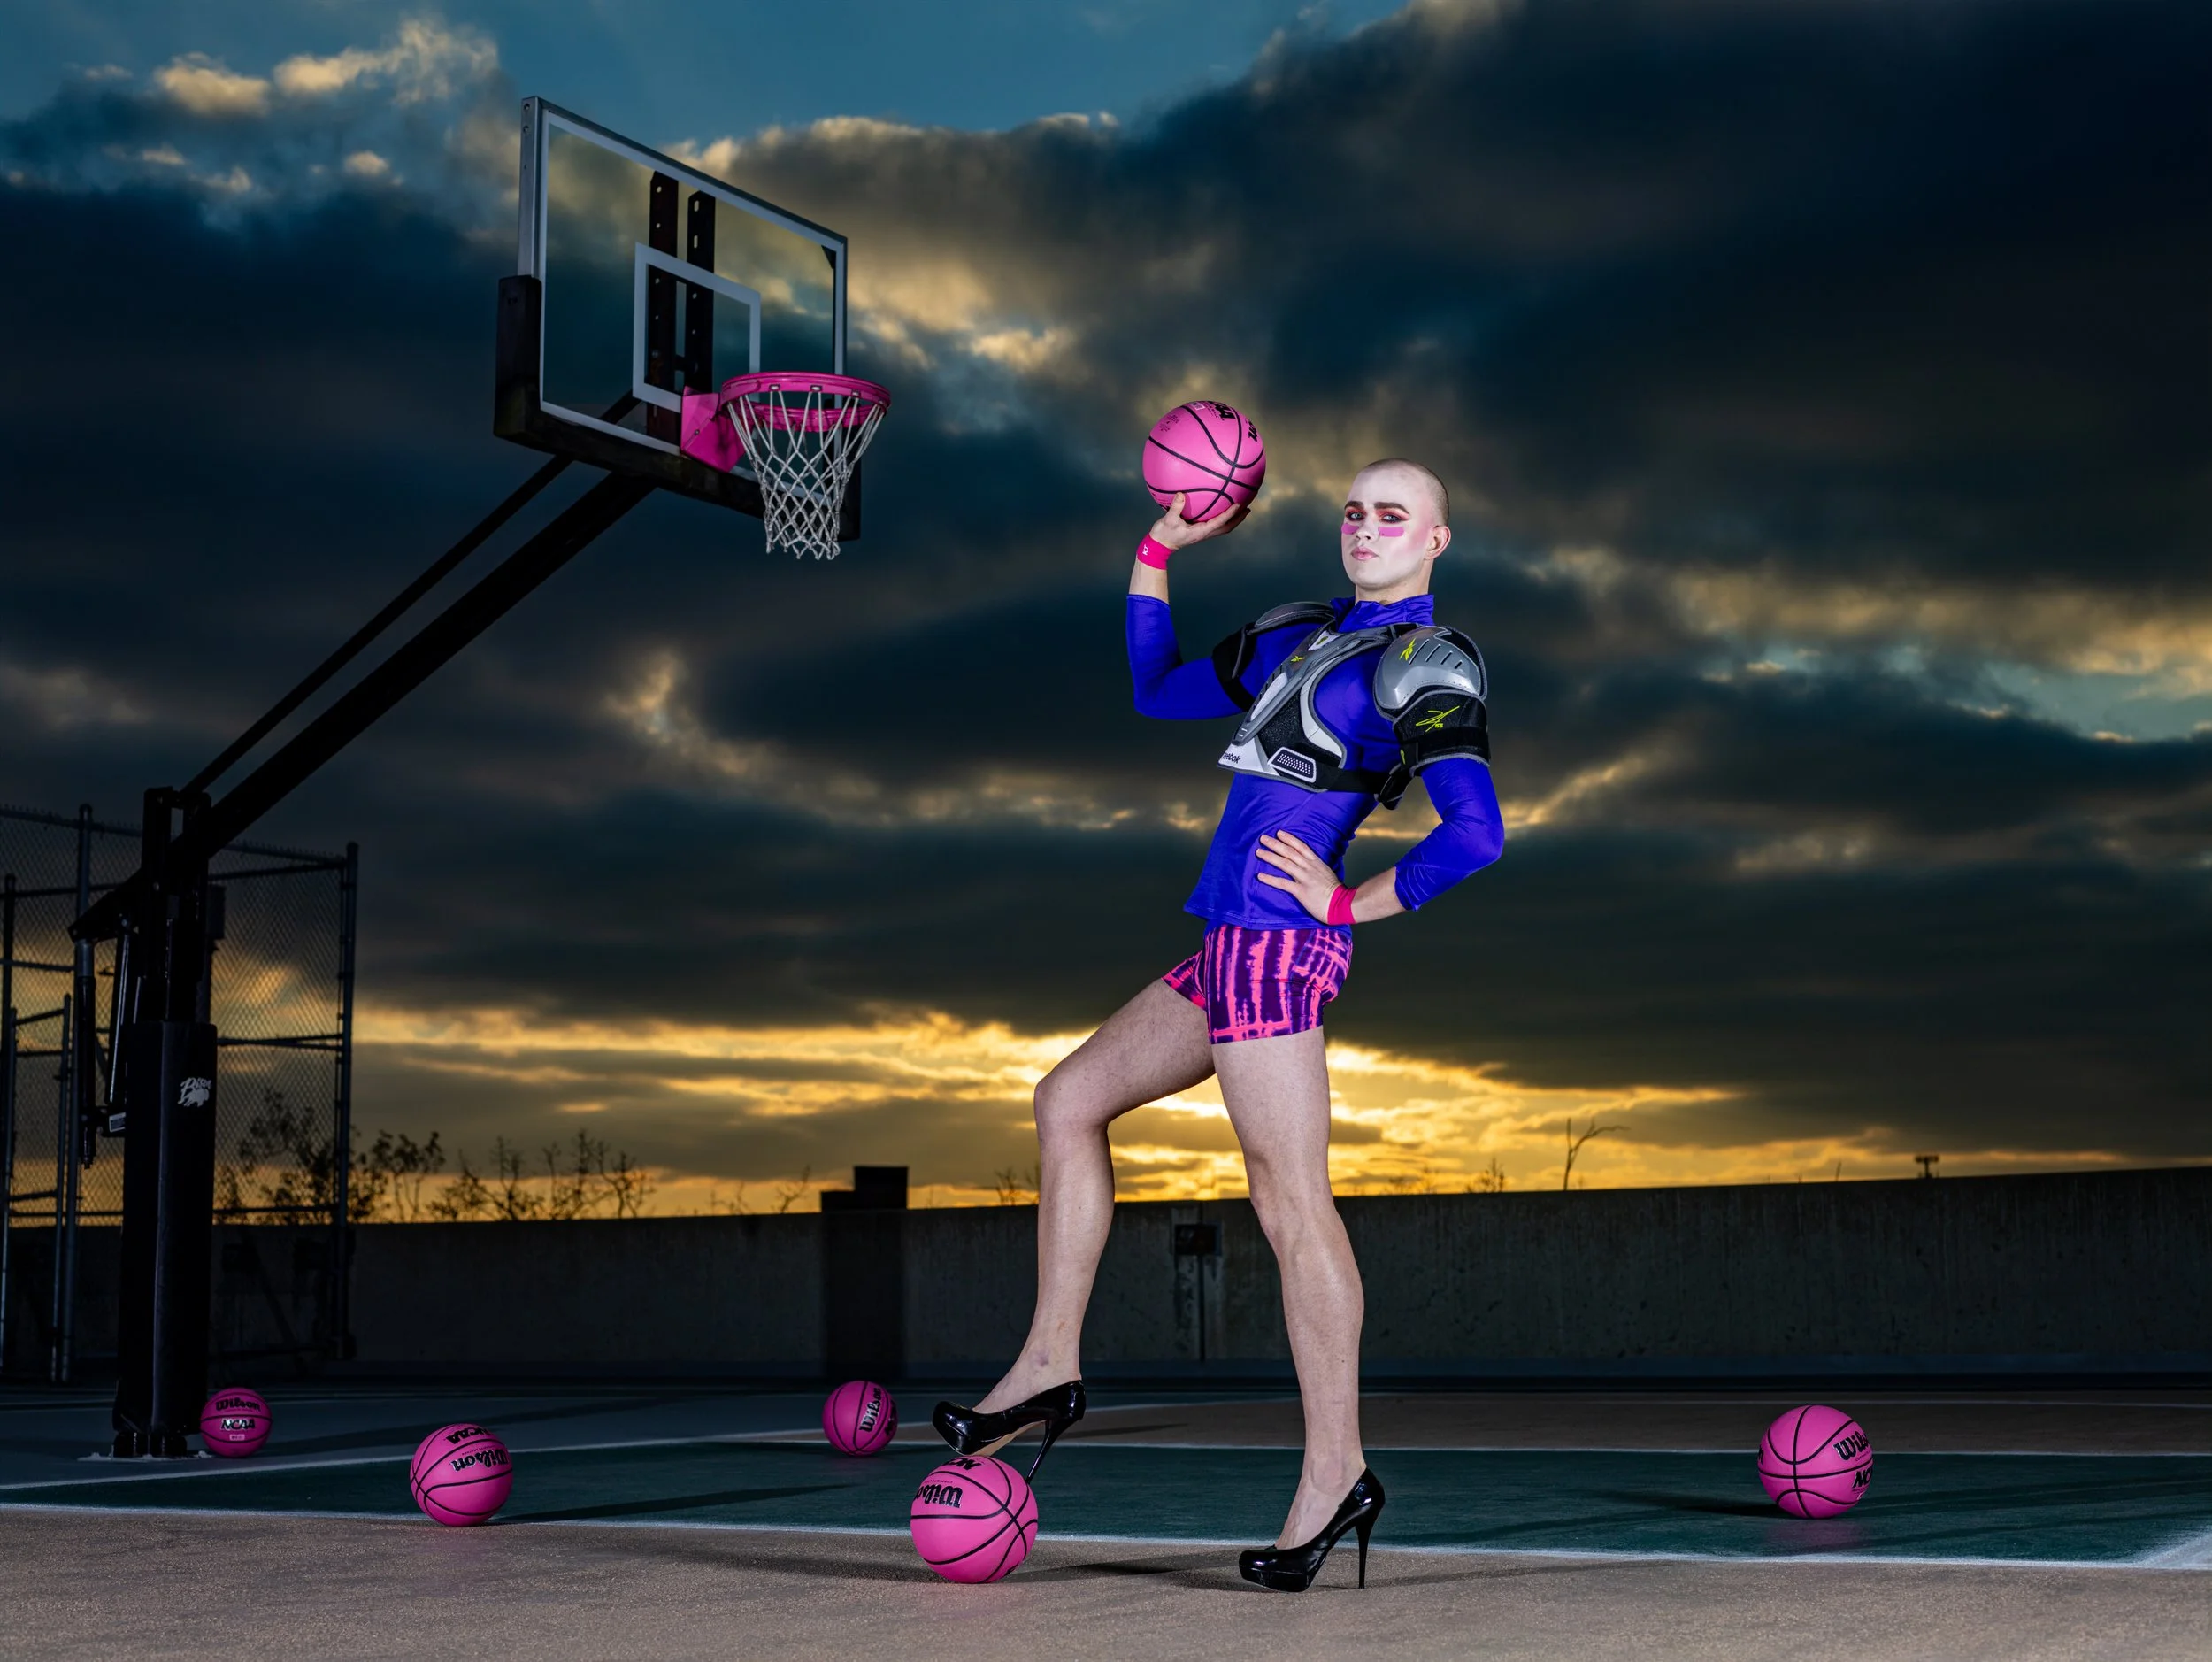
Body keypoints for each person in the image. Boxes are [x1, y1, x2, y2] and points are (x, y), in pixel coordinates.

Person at [933, 458, 1504, 1590]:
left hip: (1278, 946)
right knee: (1067, 1100)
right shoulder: (1300, 632)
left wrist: (1347, 901)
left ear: (1436, 540)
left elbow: (1474, 834)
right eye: (1352, 510)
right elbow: (1156, 687)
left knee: (1292, 1206)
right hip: (1225, 946)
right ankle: (1050, 1365)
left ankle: (1334, 1472)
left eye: (1393, 515)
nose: (1365, 527)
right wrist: (1157, 554)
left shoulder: (1422, 661)